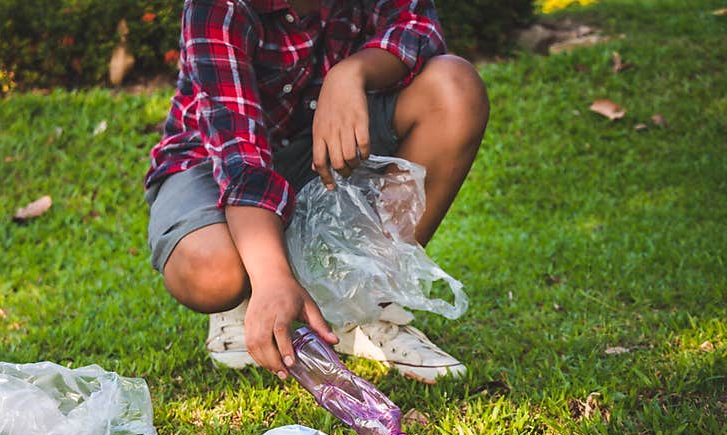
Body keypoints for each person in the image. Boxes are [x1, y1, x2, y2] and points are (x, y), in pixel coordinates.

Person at [143, 0, 489, 384]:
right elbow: (241, 157)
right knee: (212, 273)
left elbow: (416, 25)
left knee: (454, 87)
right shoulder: (218, 6)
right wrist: (270, 277)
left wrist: (352, 73)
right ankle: (248, 298)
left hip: (324, 139)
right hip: (210, 157)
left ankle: (367, 301)